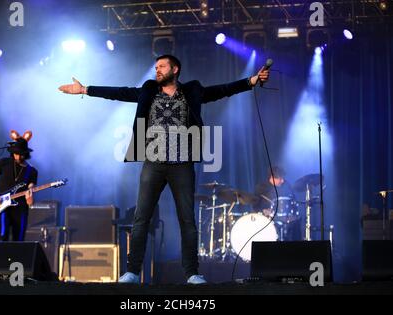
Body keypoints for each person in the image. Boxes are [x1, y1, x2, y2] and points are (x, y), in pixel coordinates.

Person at [58, 54, 269, 284]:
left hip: (182, 164)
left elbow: (222, 90)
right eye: (156, 67)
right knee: (141, 218)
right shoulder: (149, 90)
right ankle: (132, 271)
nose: (157, 70)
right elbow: (119, 92)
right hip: (153, 162)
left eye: (161, 66)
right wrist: (85, 89)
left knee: (187, 220)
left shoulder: (192, 91)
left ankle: (192, 273)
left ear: (175, 69)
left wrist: (250, 81)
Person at [0, 131, 38, 241]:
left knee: (19, 240)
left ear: (25, 154)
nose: (18, 156)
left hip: (21, 210)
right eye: (16, 153)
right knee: (2, 236)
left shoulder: (32, 171)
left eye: (21, 154)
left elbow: (30, 202)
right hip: (3, 206)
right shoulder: (3, 163)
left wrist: (30, 198)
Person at [253, 166, 301, 241]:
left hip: (285, 220)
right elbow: (254, 206)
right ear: (272, 177)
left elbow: (292, 202)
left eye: (283, 178)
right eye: (280, 178)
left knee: (296, 224)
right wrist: (263, 210)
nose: (282, 181)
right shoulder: (261, 188)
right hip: (267, 221)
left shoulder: (286, 186)